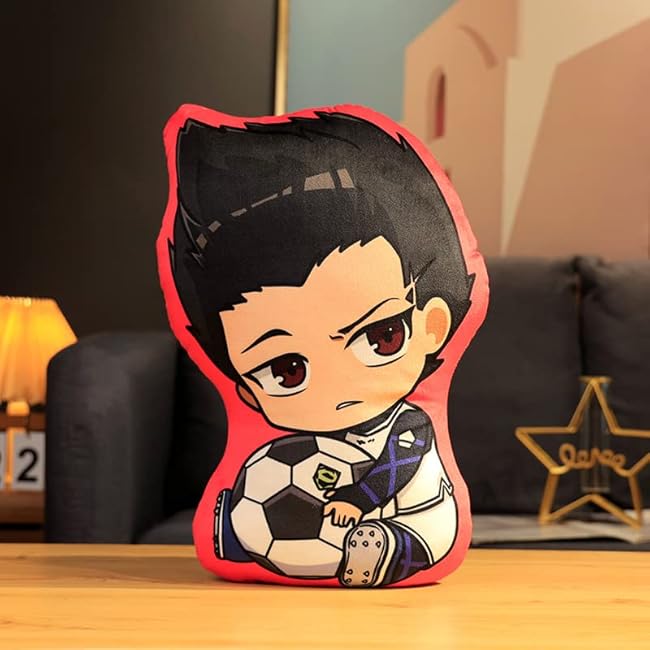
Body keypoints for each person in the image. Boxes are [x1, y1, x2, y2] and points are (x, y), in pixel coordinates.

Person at [168, 111, 474, 586]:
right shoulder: (290, 449)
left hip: (411, 509)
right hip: (315, 521)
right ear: (247, 391)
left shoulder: (408, 426)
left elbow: (398, 467)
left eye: (382, 338)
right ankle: (239, 529)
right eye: (286, 371)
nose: (337, 385)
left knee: (422, 532)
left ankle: (388, 551)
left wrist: (359, 499)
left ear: (432, 325)